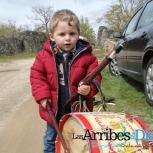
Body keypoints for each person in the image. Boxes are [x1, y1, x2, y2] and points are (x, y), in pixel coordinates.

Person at [30, 9, 102, 153]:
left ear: (78, 34)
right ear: (52, 36)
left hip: (78, 109)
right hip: (54, 110)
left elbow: (95, 76)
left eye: (72, 33)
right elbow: (36, 75)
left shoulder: (88, 57)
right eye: (62, 34)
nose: (67, 38)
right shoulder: (43, 56)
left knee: (79, 139)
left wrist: (90, 89)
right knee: (51, 139)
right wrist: (42, 96)